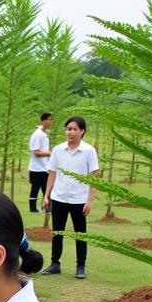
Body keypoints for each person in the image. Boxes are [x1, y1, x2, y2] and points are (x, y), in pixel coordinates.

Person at [42, 116, 100, 279]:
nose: (71, 132)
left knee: (80, 233)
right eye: (68, 129)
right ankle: (55, 263)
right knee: (57, 232)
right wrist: (46, 195)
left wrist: (90, 199)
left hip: (79, 199)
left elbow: (93, 177)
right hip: (59, 197)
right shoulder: (58, 150)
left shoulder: (89, 151)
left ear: (82, 131)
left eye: (75, 129)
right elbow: (52, 173)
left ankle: (80, 266)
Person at [27, 112, 53, 213]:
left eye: (51, 120)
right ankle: (33, 209)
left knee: (46, 189)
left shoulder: (44, 134)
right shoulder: (37, 134)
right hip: (36, 168)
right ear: (43, 120)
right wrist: (50, 153)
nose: (50, 122)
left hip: (44, 167)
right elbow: (36, 152)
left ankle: (47, 208)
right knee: (35, 189)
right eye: (49, 120)